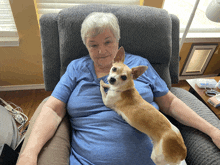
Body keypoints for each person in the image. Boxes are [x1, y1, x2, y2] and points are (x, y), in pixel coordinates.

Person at [17, 12, 220, 165]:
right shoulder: (76, 68)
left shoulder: (138, 65)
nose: (102, 51)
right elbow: (52, 108)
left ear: (118, 41)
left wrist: (213, 131)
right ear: (85, 46)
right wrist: (29, 153)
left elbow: (171, 102)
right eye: (93, 45)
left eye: (108, 42)